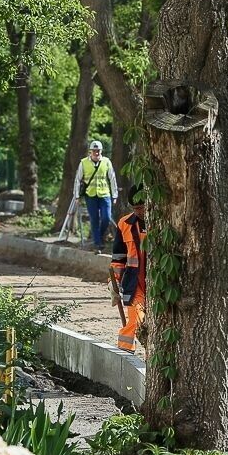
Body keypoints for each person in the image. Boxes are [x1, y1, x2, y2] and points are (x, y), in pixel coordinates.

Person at [111, 187, 147, 352]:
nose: (139, 212)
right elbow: (119, 257)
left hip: (159, 285)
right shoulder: (124, 223)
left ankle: (151, 362)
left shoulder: (163, 223)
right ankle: (124, 352)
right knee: (136, 320)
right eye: (135, 208)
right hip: (134, 283)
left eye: (141, 207)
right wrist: (114, 284)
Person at [73, 140, 119, 251]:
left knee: (106, 218)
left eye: (98, 151)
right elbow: (78, 180)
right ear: (90, 151)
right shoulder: (83, 163)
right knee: (94, 219)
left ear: (101, 151)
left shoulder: (106, 162)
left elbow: (112, 178)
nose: (96, 153)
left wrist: (115, 195)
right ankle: (98, 244)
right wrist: (77, 196)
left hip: (105, 194)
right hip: (91, 195)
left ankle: (100, 236)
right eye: (94, 151)